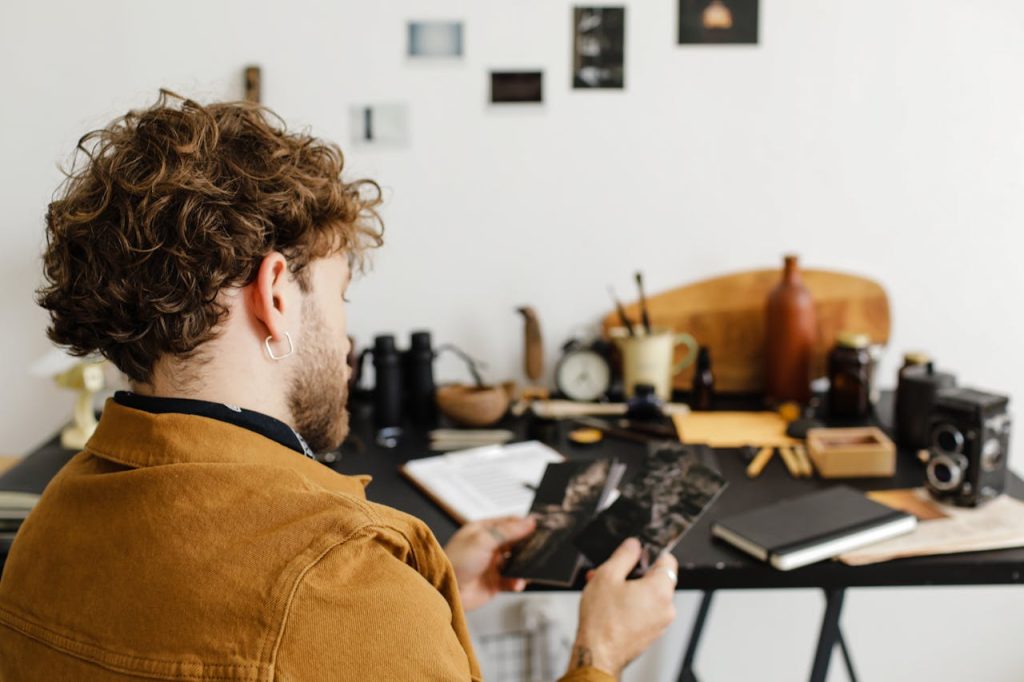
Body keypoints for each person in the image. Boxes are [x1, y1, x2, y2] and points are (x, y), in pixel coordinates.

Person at [0, 91, 678, 681]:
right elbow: (299, 613)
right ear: (274, 295)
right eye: (339, 294)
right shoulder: (339, 582)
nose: (349, 340)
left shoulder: (49, 525)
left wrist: (421, 596)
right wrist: (600, 652)